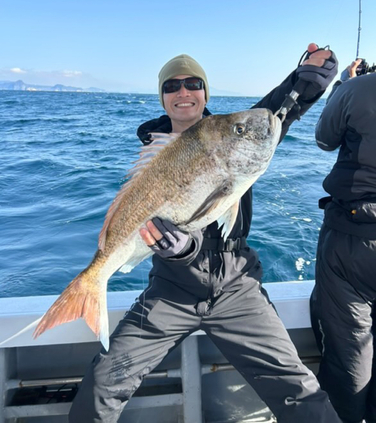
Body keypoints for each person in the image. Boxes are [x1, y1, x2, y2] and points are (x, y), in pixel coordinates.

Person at [70, 45, 340, 423]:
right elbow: (170, 222)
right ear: (163, 99)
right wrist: (178, 250)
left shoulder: (230, 133)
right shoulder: (157, 158)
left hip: (236, 286)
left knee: (300, 390)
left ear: (205, 93)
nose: (183, 92)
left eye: (193, 84)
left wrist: (311, 74)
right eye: (172, 87)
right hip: (172, 289)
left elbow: (278, 109)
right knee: (101, 384)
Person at [310, 58, 376, 423]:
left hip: (352, 239)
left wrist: (343, 86)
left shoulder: (357, 88)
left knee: (348, 358)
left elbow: (323, 139)